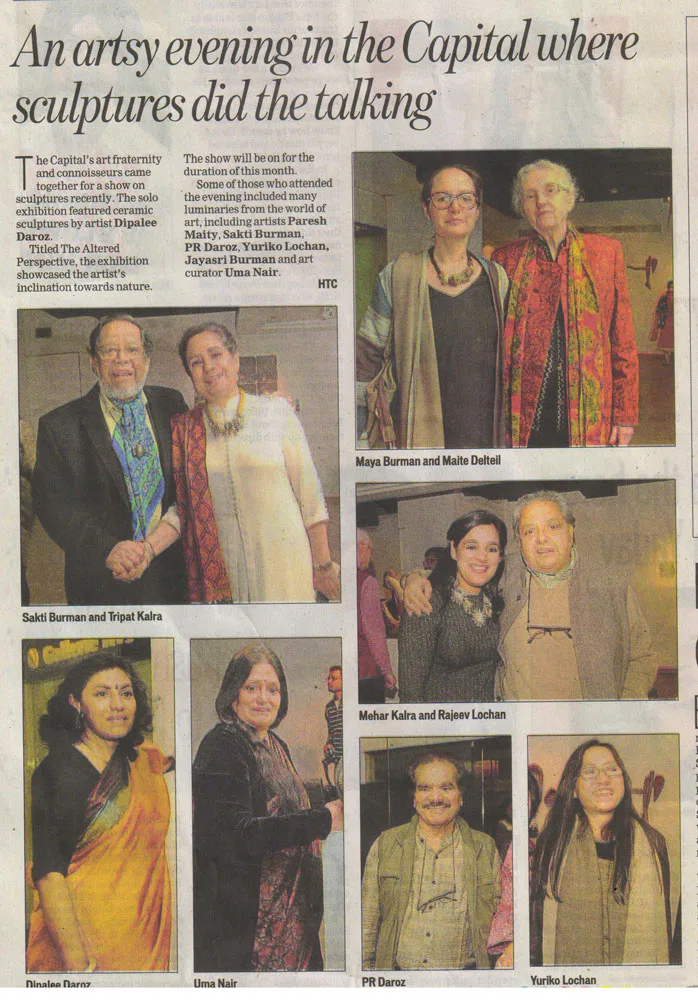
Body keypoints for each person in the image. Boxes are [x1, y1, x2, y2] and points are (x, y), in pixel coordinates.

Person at [403, 491, 658, 701]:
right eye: (529, 531)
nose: (541, 539)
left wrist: (624, 707)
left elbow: (642, 658)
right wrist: (415, 578)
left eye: (552, 526)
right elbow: (464, 570)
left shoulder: (611, 586)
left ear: (571, 532)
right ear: (520, 541)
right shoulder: (507, 574)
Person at [192, 643, 343, 972]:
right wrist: (323, 819)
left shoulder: (276, 745)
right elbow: (236, 836)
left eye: (272, 689)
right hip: (250, 937)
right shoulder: (222, 745)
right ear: (233, 693)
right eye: (252, 688)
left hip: (296, 924)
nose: (263, 698)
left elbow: (286, 812)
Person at [169, 322, 339, 603]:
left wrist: (322, 564)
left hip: (284, 563)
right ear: (190, 375)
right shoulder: (187, 431)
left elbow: (310, 495)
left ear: (235, 360)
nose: (209, 367)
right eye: (196, 362)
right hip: (224, 571)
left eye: (216, 355)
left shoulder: (275, 411)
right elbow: (183, 506)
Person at [26, 651, 173, 972]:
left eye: (126, 693)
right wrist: (79, 968)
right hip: (82, 953)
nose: (118, 705)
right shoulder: (57, 771)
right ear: (76, 703)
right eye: (102, 694)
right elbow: (49, 874)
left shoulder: (142, 762)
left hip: (142, 948)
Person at [32, 314, 187, 605]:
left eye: (132, 349)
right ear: (94, 361)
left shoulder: (172, 404)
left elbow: (187, 487)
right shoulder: (58, 426)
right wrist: (107, 549)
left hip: (171, 577)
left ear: (147, 360)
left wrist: (152, 547)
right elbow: (51, 505)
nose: (122, 359)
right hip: (100, 582)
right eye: (109, 350)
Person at [356, 164, 509, 449]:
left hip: (484, 439)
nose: (455, 208)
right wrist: (359, 433)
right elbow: (365, 358)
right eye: (442, 198)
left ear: (477, 209)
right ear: (427, 209)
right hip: (417, 438)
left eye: (466, 198)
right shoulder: (396, 276)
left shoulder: (497, 279)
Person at [492, 159, 639, 447]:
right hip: (523, 417)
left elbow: (623, 341)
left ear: (570, 198)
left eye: (550, 190)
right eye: (530, 195)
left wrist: (625, 416)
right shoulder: (505, 259)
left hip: (589, 416)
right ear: (522, 207)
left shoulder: (606, 253)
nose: (541, 201)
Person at [530, 740, 672, 966]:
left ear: (623, 781)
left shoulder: (653, 843)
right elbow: (536, 934)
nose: (603, 779)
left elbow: (662, 932)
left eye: (612, 769)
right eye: (590, 771)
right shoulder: (552, 845)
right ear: (573, 788)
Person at [361, 752, 501, 970]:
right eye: (425, 788)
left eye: (446, 787)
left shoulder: (485, 848)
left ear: (461, 796)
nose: (436, 798)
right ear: (414, 798)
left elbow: (501, 922)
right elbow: (366, 924)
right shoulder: (386, 845)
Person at [398, 511, 507, 703]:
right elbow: (410, 695)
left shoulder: (496, 598)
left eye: (492, 549)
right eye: (471, 546)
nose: (482, 557)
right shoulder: (427, 602)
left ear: (500, 556)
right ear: (454, 550)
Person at [357, 529, 398, 703]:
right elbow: (374, 633)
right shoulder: (368, 582)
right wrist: (387, 672)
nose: (370, 555)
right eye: (370, 549)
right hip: (367, 670)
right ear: (361, 547)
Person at [322, 665, 343, 789]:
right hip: (337, 760)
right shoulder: (329, 707)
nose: (329, 682)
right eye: (328, 679)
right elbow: (331, 731)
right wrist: (328, 744)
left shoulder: (352, 702)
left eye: (333, 678)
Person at [650, 280, 674, 365]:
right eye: (671, 287)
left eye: (673, 287)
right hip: (666, 321)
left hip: (674, 321)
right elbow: (659, 310)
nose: (672, 289)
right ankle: (668, 361)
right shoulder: (664, 297)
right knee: (666, 342)